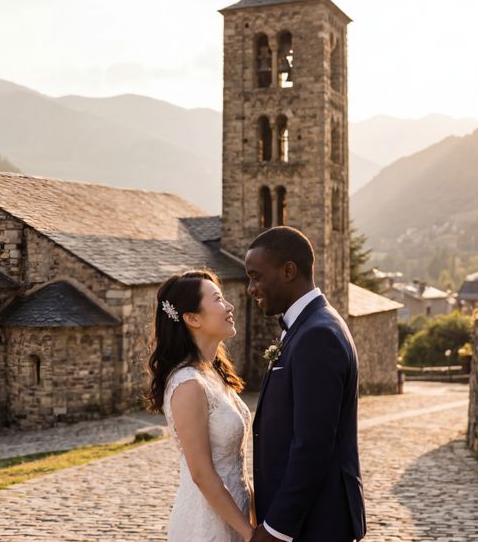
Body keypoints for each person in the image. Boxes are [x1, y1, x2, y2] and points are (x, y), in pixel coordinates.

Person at [244, 226, 367, 542]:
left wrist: (276, 529)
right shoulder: (305, 326)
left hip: (316, 524)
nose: (250, 288)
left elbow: (312, 445)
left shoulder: (318, 335)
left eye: (256, 277)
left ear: (288, 271)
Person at [145, 269, 256, 541]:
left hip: (236, 516)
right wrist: (250, 534)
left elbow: (237, 465)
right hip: (206, 526)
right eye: (218, 299)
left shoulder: (214, 374)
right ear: (192, 318)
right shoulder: (188, 385)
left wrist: (257, 518)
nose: (229, 306)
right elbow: (202, 474)